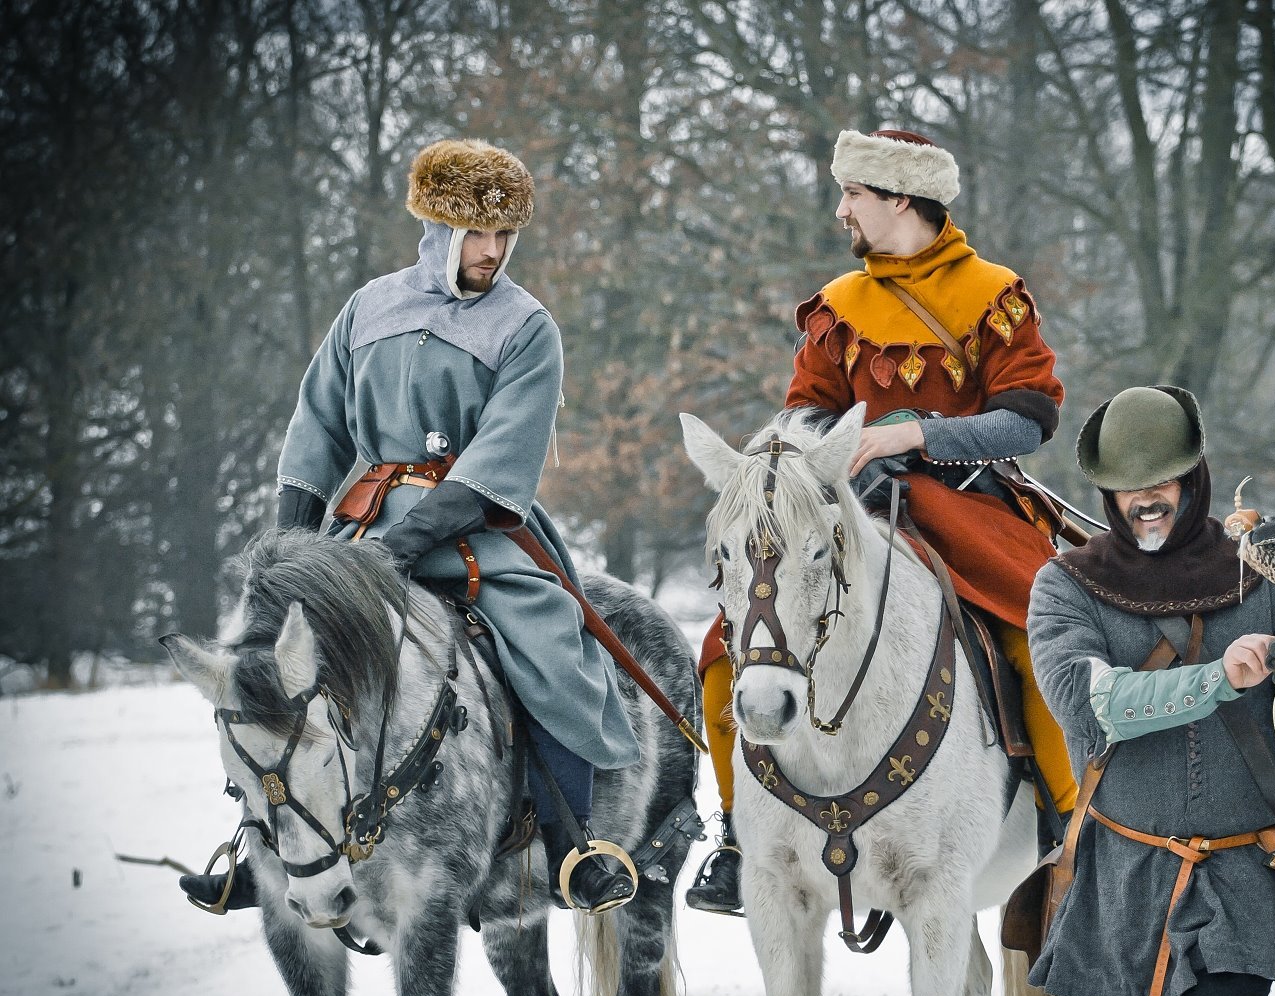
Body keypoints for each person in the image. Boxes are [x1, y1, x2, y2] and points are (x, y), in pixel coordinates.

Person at [180, 138, 639, 914]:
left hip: (480, 529)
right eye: (475, 234)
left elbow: (501, 455)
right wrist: (292, 545)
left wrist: (406, 544)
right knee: (276, 660)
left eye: (502, 236)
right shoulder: (370, 306)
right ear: (438, 229)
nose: (491, 251)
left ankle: (573, 844)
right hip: (359, 528)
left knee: (551, 642)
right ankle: (260, 845)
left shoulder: (528, 328)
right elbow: (319, 422)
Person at [687, 127, 1078, 914]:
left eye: (854, 196)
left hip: (968, 506)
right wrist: (792, 453)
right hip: (848, 508)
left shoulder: (995, 293)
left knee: (1042, 633)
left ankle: (1071, 823)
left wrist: (917, 433)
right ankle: (736, 835)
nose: (842, 212)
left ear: (901, 198)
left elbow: (1030, 421)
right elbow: (806, 411)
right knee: (727, 650)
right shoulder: (838, 306)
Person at [1025, 385, 1275, 996]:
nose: (1144, 498)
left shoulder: (1268, 574)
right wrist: (1218, 677)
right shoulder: (1065, 586)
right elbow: (1090, 705)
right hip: (1124, 881)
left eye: (1162, 479)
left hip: (1248, 869)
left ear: (1195, 475)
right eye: (1125, 486)